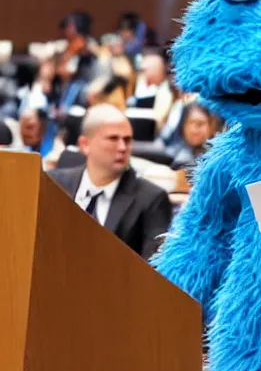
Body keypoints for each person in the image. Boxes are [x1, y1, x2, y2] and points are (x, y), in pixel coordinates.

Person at [48, 104, 172, 260]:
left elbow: (153, 271)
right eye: (113, 138)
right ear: (85, 145)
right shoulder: (54, 183)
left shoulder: (151, 199)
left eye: (127, 140)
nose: (122, 147)